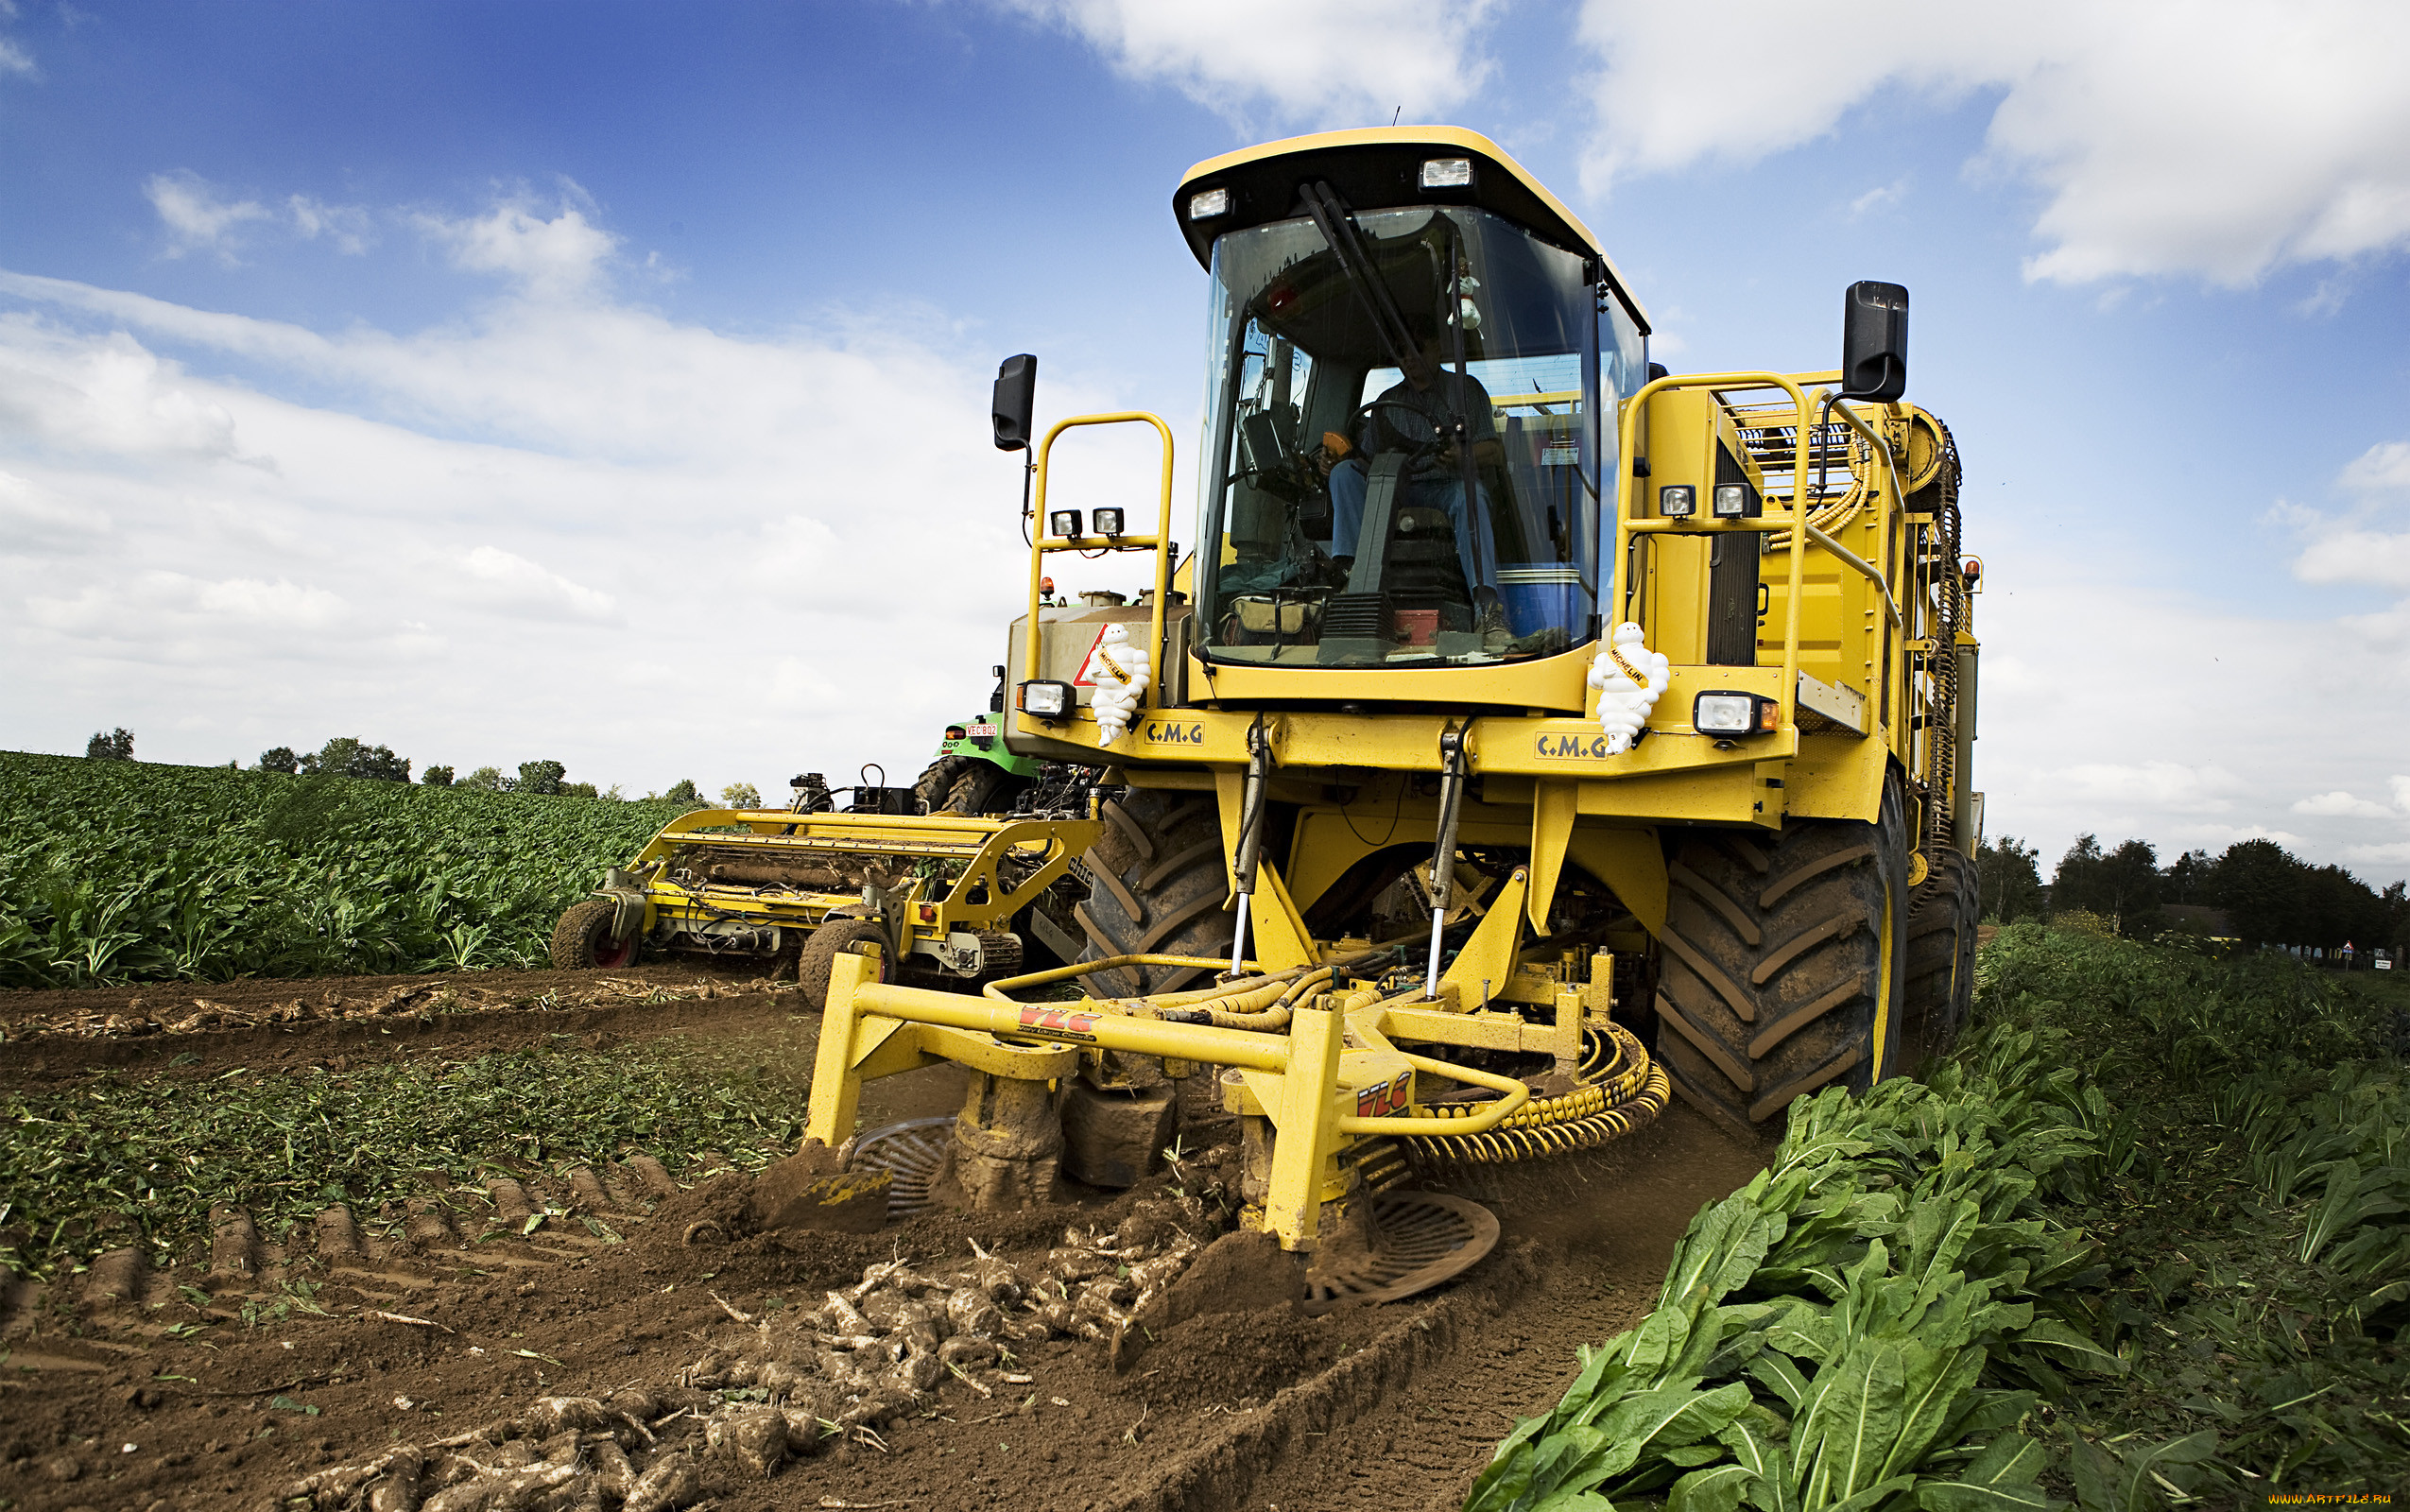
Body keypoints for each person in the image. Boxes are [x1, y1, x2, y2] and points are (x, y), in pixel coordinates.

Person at [1323, 329, 1509, 641]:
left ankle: (1487, 611)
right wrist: (1333, 463)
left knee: (1472, 494)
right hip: (1399, 489)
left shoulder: (1467, 390)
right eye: (1400, 351)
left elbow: (1495, 451)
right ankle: (1351, 584)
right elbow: (1367, 463)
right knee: (1344, 473)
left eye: (1416, 347)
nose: (1408, 357)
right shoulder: (1387, 402)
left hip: (1447, 487)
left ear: (1437, 348)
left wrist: (1463, 455)